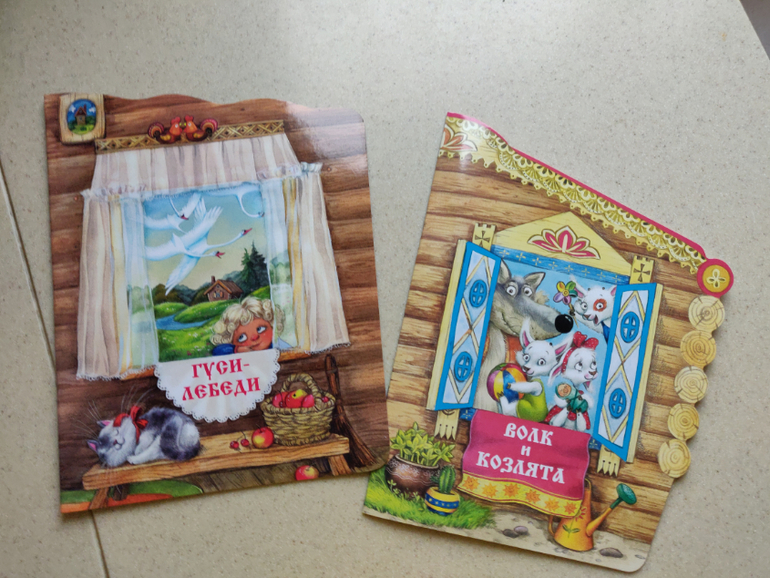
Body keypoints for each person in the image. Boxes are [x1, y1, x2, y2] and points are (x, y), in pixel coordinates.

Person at [210, 297, 285, 355]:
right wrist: (236, 350)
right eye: (241, 337)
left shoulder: (279, 346)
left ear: (272, 325)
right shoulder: (236, 352)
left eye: (260, 329)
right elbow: (218, 351)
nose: (254, 337)